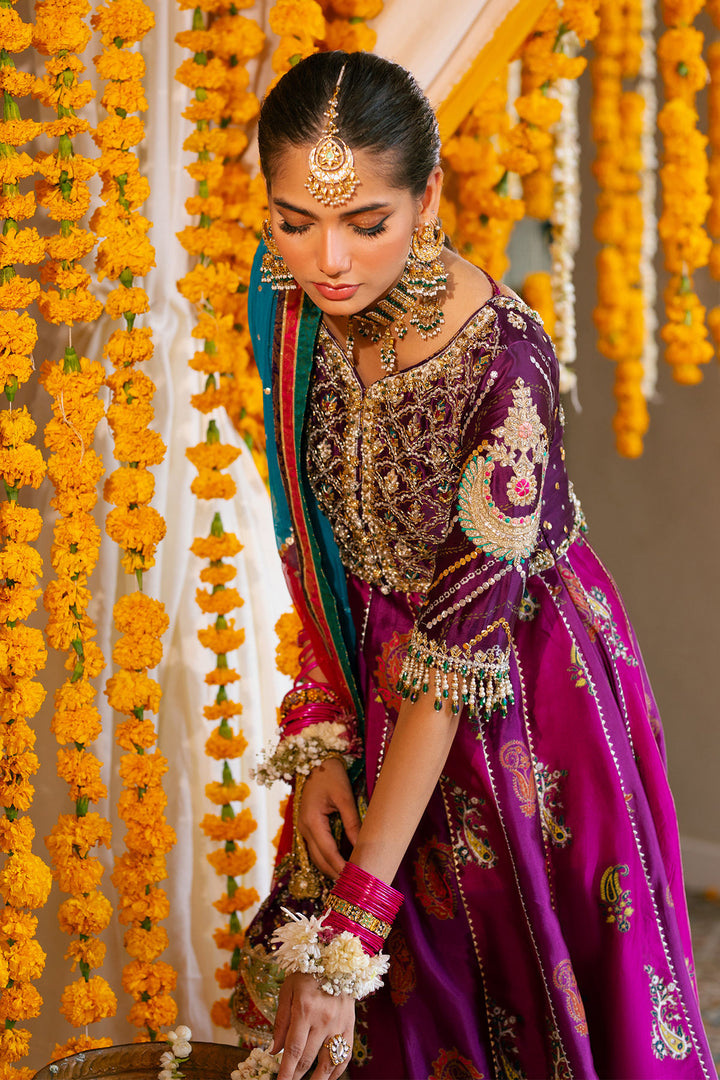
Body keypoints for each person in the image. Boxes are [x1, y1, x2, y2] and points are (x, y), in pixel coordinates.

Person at [232, 49, 714, 1080]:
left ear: (432, 195)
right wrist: (317, 735)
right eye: (294, 220)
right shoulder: (283, 312)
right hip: (372, 681)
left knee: (516, 1004)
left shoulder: (505, 362)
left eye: (368, 222)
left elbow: (455, 663)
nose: (330, 261)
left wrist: (352, 927)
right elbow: (311, 544)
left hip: (522, 708)